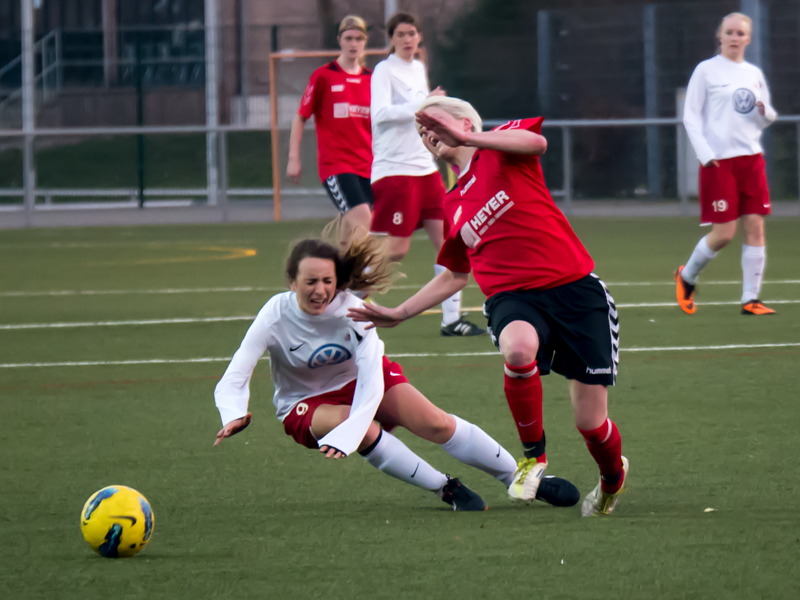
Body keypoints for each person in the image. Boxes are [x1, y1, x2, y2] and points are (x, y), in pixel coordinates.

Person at [349, 96, 629, 517]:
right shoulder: (452, 200)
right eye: (423, 133)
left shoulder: (501, 148)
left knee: (591, 424)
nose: (429, 136)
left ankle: (612, 479)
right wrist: (399, 313)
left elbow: (538, 145)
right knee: (518, 349)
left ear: (464, 122)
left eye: (436, 125)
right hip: (512, 298)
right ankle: (533, 460)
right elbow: (456, 274)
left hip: (575, 293)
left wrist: (467, 136)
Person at [213, 234, 580, 511]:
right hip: (304, 403)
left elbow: (371, 379)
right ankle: (444, 487)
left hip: (362, 382)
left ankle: (524, 478)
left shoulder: (354, 310)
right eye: (310, 282)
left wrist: (350, 432)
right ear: (292, 283)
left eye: (327, 281)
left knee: (437, 423)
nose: (320, 290)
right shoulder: (274, 314)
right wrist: (233, 414)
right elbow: (236, 373)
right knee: (361, 428)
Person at [369, 12, 484, 337]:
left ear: (419, 37)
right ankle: (344, 289)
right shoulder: (384, 71)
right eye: (402, 34)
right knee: (397, 249)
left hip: (424, 169)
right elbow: (380, 115)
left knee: (450, 243)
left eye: (412, 33)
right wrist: (423, 103)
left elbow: (423, 116)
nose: (408, 39)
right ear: (391, 38)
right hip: (396, 170)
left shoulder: (417, 68)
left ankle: (451, 320)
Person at [676, 12, 777, 316]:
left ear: (748, 39)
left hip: (751, 160)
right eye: (729, 32)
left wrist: (764, 112)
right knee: (724, 234)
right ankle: (686, 277)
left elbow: (765, 118)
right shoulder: (706, 71)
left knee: (756, 227)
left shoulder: (753, 73)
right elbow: (690, 116)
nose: (735, 38)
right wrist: (705, 154)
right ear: (719, 36)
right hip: (718, 162)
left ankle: (751, 299)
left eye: (740, 34)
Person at [287, 16, 374, 249]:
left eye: (358, 38)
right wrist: (293, 158)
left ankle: (341, 280)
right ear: (340, 41)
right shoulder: (324, 76)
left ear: (365, 42)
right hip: (337, 165)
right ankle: (359, 282)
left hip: (369, 166)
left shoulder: (373, 79)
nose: (353, 43)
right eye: (348, 38)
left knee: (352, 226)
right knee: (363, 218)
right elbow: (300, 117)